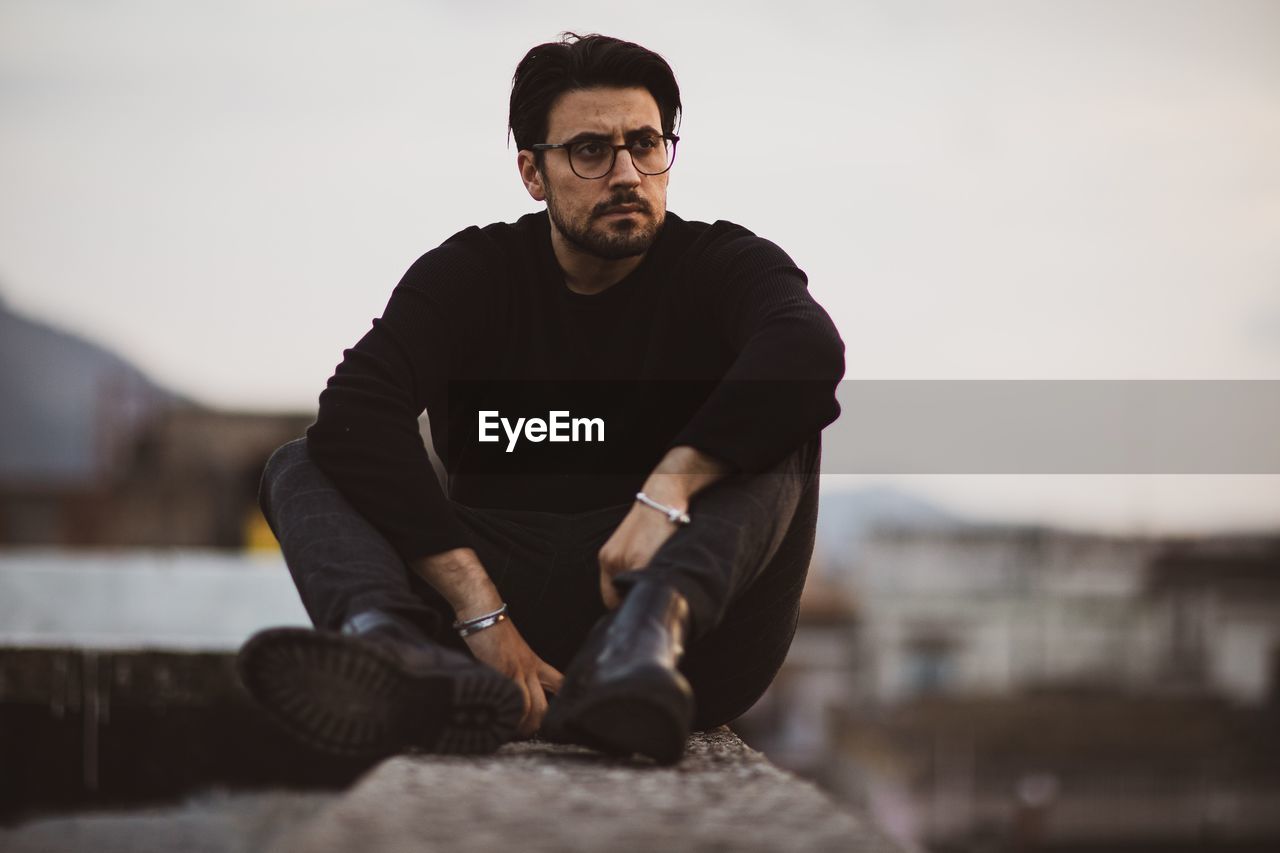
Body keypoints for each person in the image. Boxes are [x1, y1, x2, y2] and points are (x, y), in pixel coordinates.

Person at [237, 32, 844, 766]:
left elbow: (810, 350)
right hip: (487, 613)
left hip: (676, 632)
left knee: (785, 415)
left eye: (646, 144)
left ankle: (637, 649)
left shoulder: (721, 265)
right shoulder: (473, 274)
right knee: (300, 462)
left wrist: (670, 488)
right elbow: (359, 410)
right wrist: (478, 609)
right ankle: (394, 657)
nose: (626, 173)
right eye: (591, 150)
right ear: (533, 171)